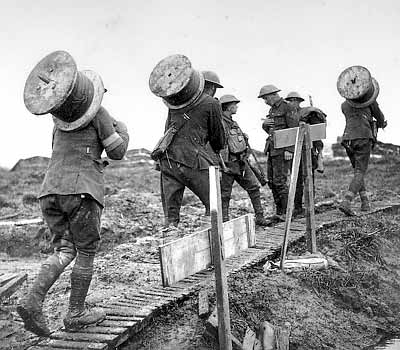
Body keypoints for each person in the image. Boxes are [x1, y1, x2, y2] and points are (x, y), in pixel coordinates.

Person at [18, 51, 129, 336]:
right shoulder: (101, 115)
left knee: (65, 249)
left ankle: (32, 299)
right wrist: (123, 132)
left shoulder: (58, 122)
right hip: (81, 192)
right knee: (86, 250)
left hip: (50, 192)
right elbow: (117, 151)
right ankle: (76, 313)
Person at [159, 78, 225, 227]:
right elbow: (218, 138)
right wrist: (216, 149)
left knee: (171, 214)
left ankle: (170, 238)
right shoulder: (212, 103)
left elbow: (167, 131)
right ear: (213, 88)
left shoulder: (174, 102)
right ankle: (210, 237)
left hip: (168, 160)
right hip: (193, 159)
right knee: (213, 203)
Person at [219, 94, 268, 226]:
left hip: (241, 162)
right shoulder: (220, 124)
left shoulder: (233, 123)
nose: (237, 106)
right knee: (224, 195)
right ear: (228, 107)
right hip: (228, 165)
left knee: (253, 187)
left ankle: (260, 217)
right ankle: (224, 222)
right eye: (234, 104)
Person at [338, 99, 386, 216]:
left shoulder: (344, 105)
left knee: (357, 171)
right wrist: (381, 123)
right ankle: (346, 202)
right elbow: (380, 119)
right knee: (360, 171)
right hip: (363, 137)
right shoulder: (370, 102)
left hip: (348, 139)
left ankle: (365, 202)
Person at [259, 85, 298, 219]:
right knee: (272, 181)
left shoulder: (288, 107)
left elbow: (294, 129)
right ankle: (280, 212)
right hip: (272, 149)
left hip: (283, 151)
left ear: (273, 95)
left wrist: (289, 149)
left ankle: (288, 213)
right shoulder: (272, 109)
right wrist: (265, 125)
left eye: (265, 98)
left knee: (280, 181)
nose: (265, 101)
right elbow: (272, 130)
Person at [285, 92, 326, 215]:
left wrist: (319, 153)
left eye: (294, 100)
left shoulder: (307, 114)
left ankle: (310, 206)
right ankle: (297, 207)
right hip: (296, 151)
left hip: (309, 151)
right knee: (296, 181)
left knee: (309, 179)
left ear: (299, 102)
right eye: (290, 101)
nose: (292, 103)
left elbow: (317, 135)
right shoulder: (288, 116)